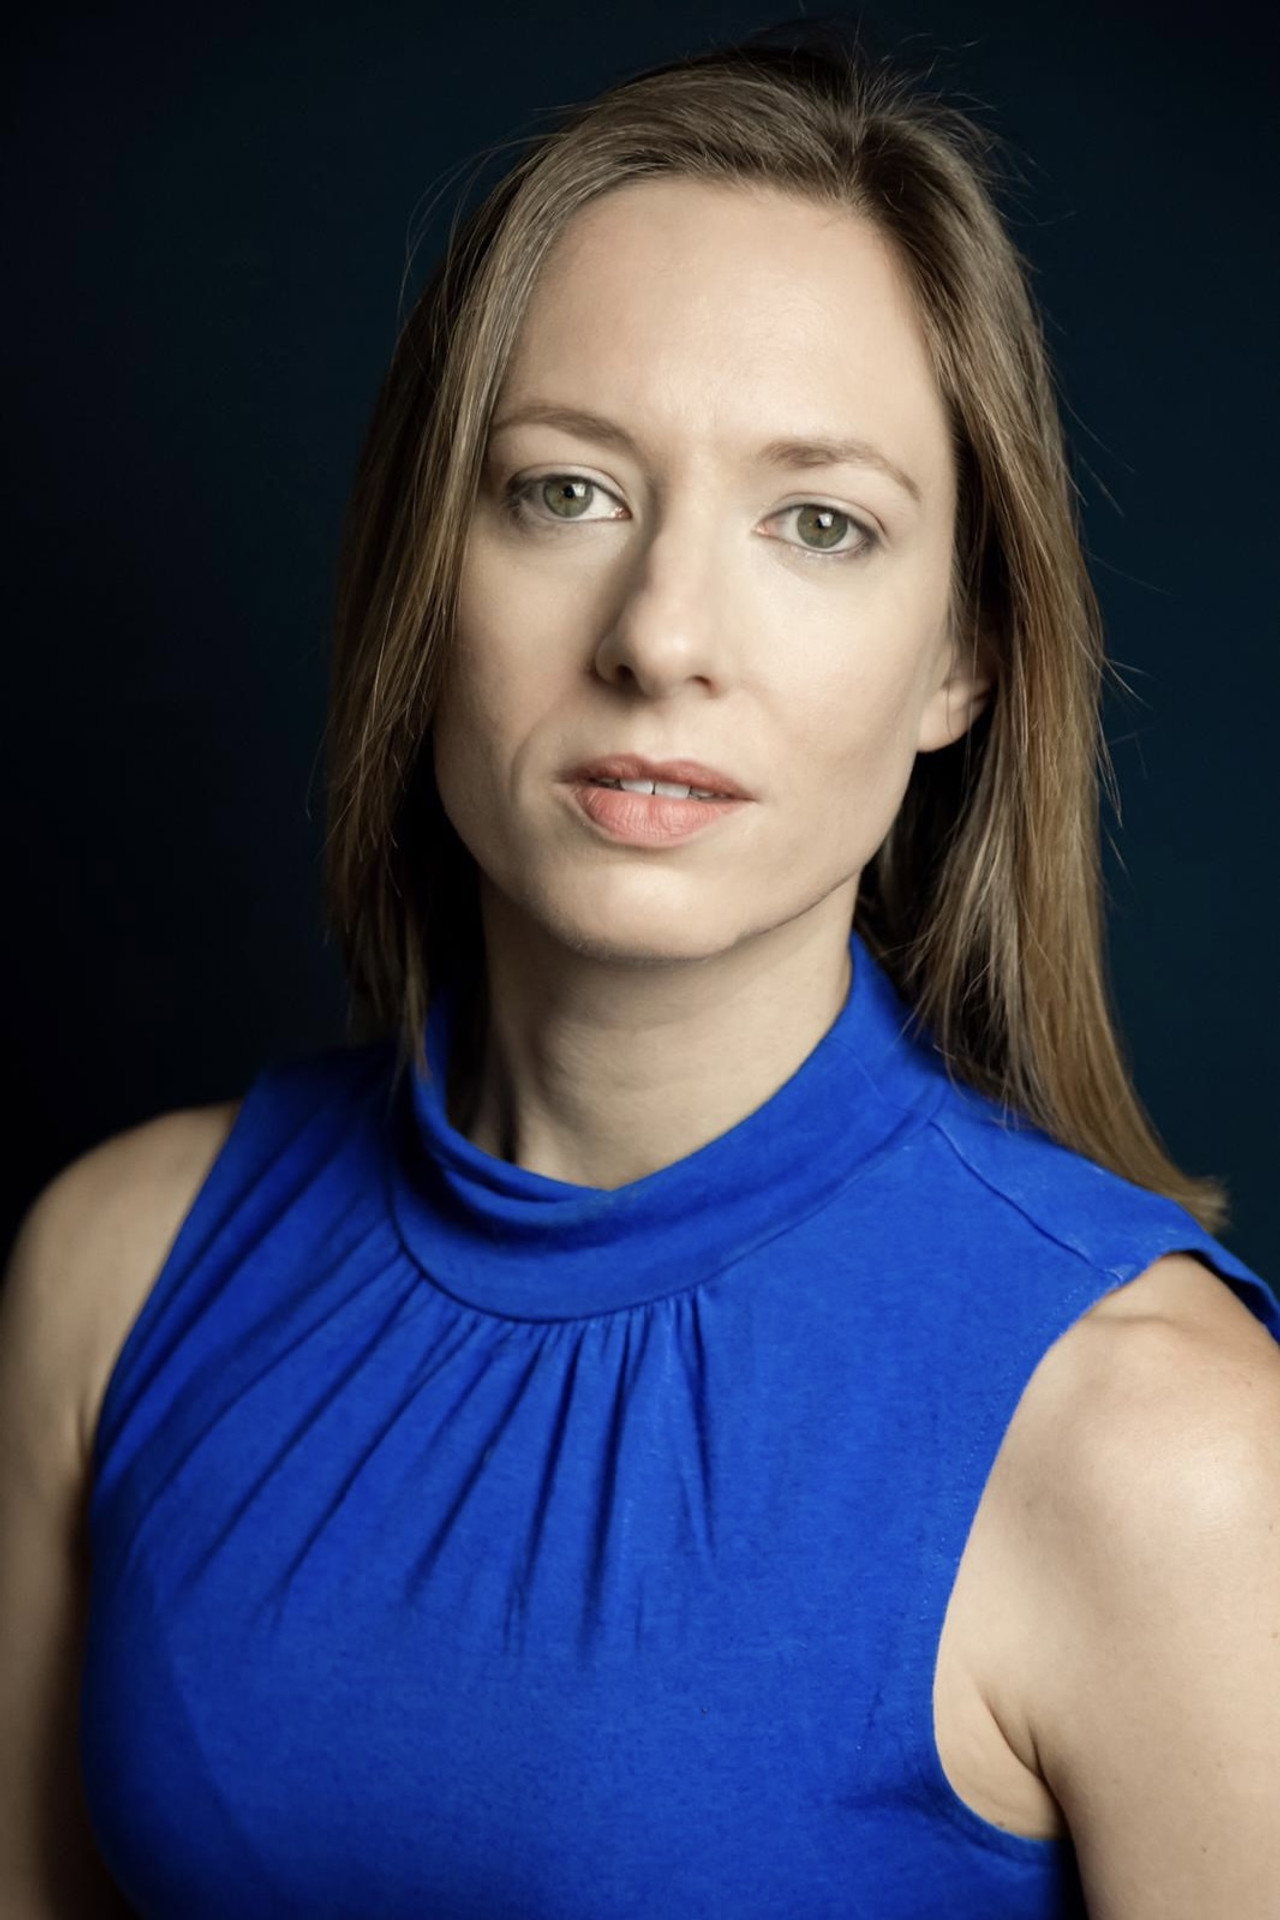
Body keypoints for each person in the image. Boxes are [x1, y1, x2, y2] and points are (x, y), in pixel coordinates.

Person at [2, 20, 1278, 1920]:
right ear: (424, 569)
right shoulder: (113, 1274)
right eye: (566, 490)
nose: (663, 634)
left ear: (963, 661)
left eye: (819, 523)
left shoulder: (1170, 1450)